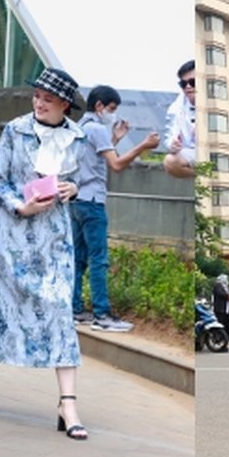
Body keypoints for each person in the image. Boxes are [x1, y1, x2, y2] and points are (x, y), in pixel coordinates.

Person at [0, 68, 90, 440]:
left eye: (48, 99)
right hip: (13, 233)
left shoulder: (78, 138)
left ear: (65, 104)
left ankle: (68, 403)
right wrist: (21, 206)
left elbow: (89, 181)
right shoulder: (15, 130)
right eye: (37, 96)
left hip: (54, 239)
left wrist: (72, 188)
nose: (40, 103)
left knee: (60, 311)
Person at [70, 85, 160, 332]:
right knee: (98, 259)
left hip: (76, 200)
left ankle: (75, 309)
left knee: (78, 259)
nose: (113, 114)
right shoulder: (98, 128)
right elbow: (117, 164)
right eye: (111, 109)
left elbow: (93, 157)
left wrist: (116, 139)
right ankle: (102, 313)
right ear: (99, 106)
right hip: (93, 203)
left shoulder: (81, 126)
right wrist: (142, 145)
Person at [162, 60, 196, 179]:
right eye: (183, 84)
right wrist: (173, 144)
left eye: (193, 82)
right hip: (193, 152)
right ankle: (205, 177)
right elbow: (168, 136)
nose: (188, 87)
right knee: (169, 161)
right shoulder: (176, 107)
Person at [211, 274, 229, 340]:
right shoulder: (217, 285)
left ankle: (228, 336)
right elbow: (220, 293)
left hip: (227, 309)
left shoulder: (227, 286)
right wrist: (228, 296)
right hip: (220, 309)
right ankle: (221, 337)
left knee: (228, 323)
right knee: (221, 323)